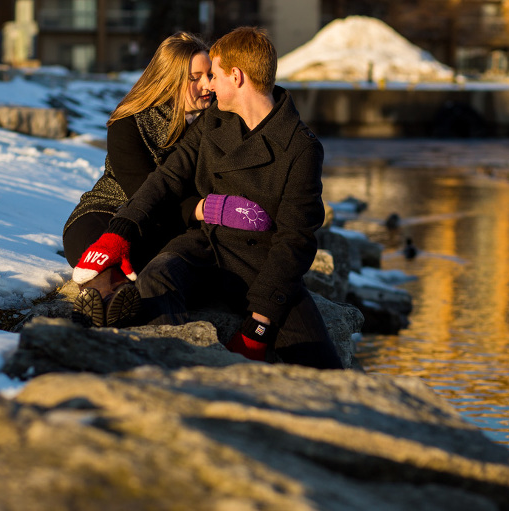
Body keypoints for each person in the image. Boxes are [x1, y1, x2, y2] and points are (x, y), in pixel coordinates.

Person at [72, 27, 343, 370]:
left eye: (212, 75)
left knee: (322, 366)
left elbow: (296, 241)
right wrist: (121, 229)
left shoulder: (300, 147)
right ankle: (172, 381)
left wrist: (257, 328)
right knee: (157, 279)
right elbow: (168, 177)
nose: (209, 86)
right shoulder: (215, 120)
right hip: (203, 247)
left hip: (259, 265)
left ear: (237, 75)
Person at [63, 31, 213, 328]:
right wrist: (199, 208)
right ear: (170, 79)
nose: (207, 84)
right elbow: (143, 192)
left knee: (153, 252)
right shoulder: (128, 122)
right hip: (108, 209)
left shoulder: (217, 123)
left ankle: (105, 300)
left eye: (210, 74)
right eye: (195, 77)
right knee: (99, 244)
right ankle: (112, 299)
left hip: (168, 224)